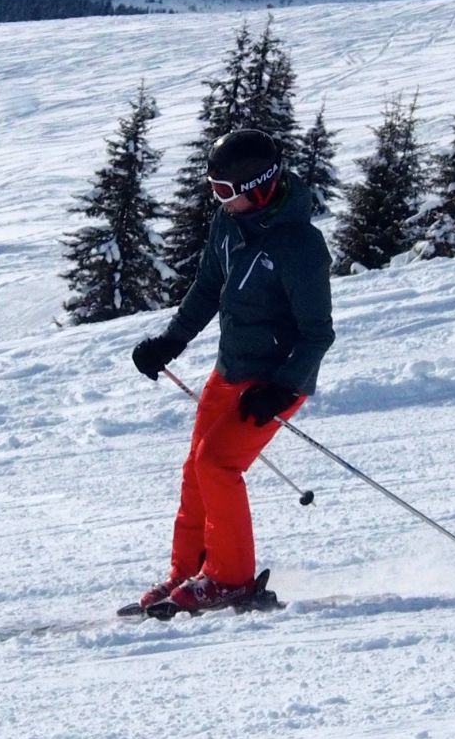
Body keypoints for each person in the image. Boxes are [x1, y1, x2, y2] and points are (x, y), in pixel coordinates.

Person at [130, 128, 334, 612]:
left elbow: (317, 333)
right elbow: (206, 287)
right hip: (231, 370)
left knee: (217, 464)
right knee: (195, 471)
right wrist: (171, 341)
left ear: (261, 187)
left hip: (275, 380)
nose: (219, 201)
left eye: (227, 192)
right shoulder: (229, 224)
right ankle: (190, 575)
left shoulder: (300, 246)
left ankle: (231, 580)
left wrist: (281, 390)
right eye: (213, 189)